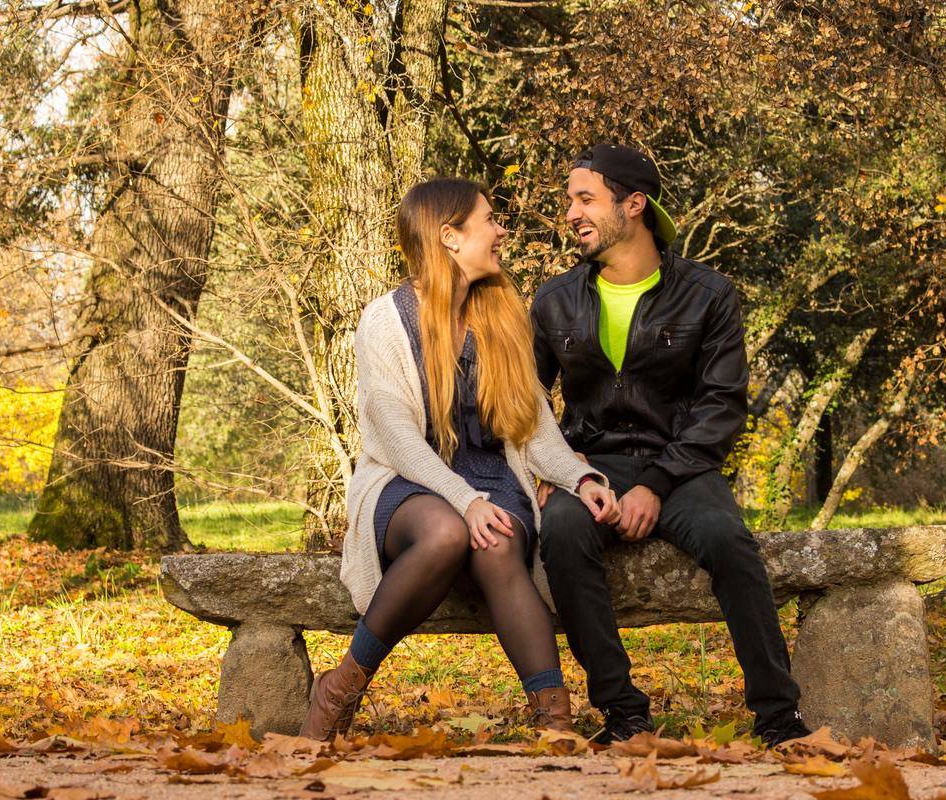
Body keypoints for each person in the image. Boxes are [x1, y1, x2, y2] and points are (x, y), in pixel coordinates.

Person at [302, 177, 620, 742]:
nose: (501, 231)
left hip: (495, 480)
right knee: (449, 532)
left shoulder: (500, 314)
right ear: (449, 236)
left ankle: (555, 720)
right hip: (405, 483)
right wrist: (463, 499)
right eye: (490, 221)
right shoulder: (386, 320)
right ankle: (341, 689)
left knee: (497, 542)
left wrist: (580, 476)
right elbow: (397, 438)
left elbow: (533, 424)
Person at [530, 144, 810, 746]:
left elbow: (720, 406)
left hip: (680, 466)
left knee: (728, 540)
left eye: (586, 199)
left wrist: (656, 484)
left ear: (634, 205)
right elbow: (524, 399)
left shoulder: (708, 295)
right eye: (568, 201)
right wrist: (558, 464)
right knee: (561, 531)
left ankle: (779, 717)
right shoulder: (554, 300)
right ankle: (623, 713)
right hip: (590, 465)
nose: (571, 213)